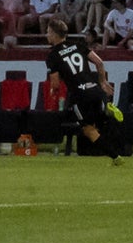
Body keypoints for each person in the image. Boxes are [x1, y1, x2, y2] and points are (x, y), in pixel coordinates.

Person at [44, 18, 121, 159]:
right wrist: (103, 82)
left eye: (48, 32)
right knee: (99, 123)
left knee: (87, 129)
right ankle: (106, 110)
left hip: (79, 95)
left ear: (55, 34)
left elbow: (55, 84)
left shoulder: (52, 56)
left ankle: (116, 157)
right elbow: (99, 62)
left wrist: (52, 92)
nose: (46, 35)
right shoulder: (78, 45)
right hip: (95, 89)